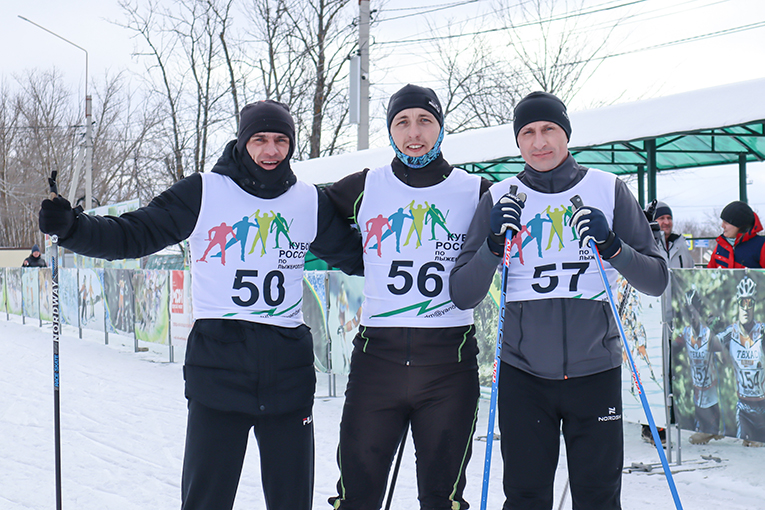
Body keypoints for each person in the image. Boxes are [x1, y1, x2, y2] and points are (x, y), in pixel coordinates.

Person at [38, 100, 364, 510]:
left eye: (281, 141)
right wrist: (73, 228)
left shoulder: (307, 201)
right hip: (219, 372)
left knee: (292, 501)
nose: (271, 151)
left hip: (288, 375)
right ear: (242, 141)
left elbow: (361, 256)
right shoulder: (205, 191)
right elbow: (134, 234)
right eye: (260, 140)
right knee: (206, 502)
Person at [449, 91, 668, 509]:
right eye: (527, 132)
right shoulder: (500, 196)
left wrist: (613, 246)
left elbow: (657, 280)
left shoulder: (607, 188)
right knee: (527, 497)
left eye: (549, 129)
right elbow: (462, 293)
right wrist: (493, 246)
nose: (539, 141)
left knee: (599, 498)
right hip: (523, 376)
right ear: (518, 142)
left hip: (595, 372)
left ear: (566, 134)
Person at [324, 84, 493, 510]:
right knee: (356, 495)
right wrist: (358, 258)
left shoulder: (475, 190)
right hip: (377, 363)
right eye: (402, 122)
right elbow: (309, 218)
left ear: (440, 127)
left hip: (448, 365)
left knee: (442, 498)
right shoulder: (367, 185)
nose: (413, 132)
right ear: (390, 130)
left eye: (425, 121)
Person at [710, 275, 765, 447]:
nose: (746, 308)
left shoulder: (762, 330)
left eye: (750, 303)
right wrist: (712, 329)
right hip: (743, 408)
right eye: (743, 303)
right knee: (743, 449)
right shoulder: (731, 332)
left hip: (763, 407)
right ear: (738, 305)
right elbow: (710, 345)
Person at [674, 288, 724, 445]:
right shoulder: (686, 332)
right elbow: (675, 347)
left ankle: (712, 430)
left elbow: (722, 352)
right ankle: (708, 430)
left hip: (711, 386)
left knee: (710, 403)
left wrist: (717, 330)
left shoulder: (708, 332)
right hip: (697, 387)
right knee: (699, 403)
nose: (691, 315)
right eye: (688, 311)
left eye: (694, 310)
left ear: (700, 310)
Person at [707, 200, 765, 269]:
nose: (722, 226)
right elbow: (710, 273)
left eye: (726, 222)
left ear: (739, 224)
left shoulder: (761, 246)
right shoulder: (721, 245)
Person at [653, 201, 694, 268]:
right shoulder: (647, 244)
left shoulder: (681, 244)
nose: (666, 222)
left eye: (669, 218)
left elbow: (690, 272)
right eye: (662, 218)